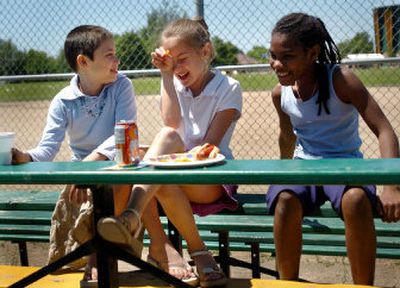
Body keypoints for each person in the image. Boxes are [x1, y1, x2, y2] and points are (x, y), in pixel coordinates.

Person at [96, 18, 243, 287]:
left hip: (212, 176)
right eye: (170, 61)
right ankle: (198, 255)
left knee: (158, 160)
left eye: (183, 58)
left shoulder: (229, 88)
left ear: (206, 52)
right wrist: (164, 76)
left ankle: (133, 220)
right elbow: (173, 125)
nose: (176, 67)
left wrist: (161, 157)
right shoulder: (173, 84)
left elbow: (208, 148)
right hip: (172, 175)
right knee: (160, 156)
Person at [266, 12, 400, 285]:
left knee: (356, 200)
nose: (277, 64)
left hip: (345, 164)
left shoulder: (341, 80)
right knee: (286, 199)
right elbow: (287, 137)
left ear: (313, 52)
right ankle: (286, 282)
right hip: (305, 166)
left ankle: (363, 285)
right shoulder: (280, 94)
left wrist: (392, 186)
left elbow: (385, 130)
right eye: (273, 55)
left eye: (287, 56)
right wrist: (284, 171)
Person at [12, 25, 138, 287]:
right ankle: (101, 256)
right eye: (109, 55)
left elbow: (123, 134)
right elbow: (47, 148)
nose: (117, 60)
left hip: (115, 167)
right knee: (88, 197)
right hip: (83, 177)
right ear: (83, 61)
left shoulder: (121, 86)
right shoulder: (63, 101)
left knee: (118, 182)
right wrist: (25, 156)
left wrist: (85, 168)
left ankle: (97, 259)